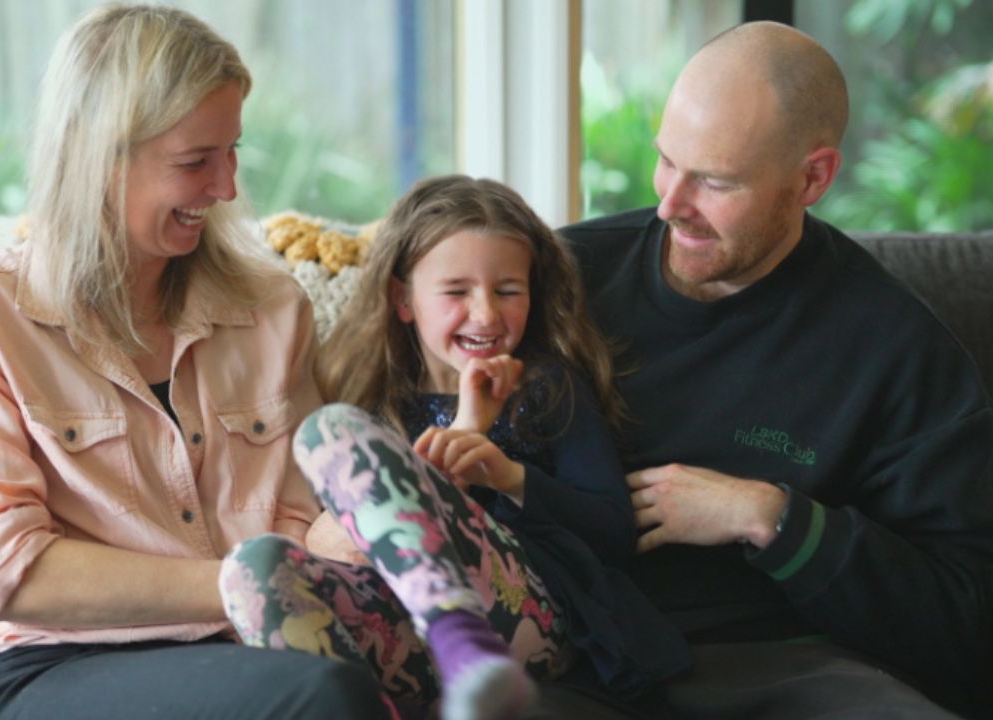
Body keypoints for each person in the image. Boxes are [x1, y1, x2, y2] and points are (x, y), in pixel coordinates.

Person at [0, 5, 390, 719]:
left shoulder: (273, 312)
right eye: (195, 161)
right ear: (98, 156)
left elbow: (299, 523)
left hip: (244, 654)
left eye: (232, 151)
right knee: (319, 697)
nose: (226, 188)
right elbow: (8, 571)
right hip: (47, 662)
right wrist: (244, 582)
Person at [561, 20, 993, 719]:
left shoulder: (898, 352)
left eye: (715, 181)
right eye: (666, 160)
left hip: (787, 666)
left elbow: (966, 619)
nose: (670, 205)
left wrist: (771, 517)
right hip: (573, 650)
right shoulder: (561, 278)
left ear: (813, 177)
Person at [219, 175, 689, 720]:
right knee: (252, 567)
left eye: (507, 290)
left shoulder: (544, 388)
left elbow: (614, 533)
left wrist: (510, 478)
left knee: (330, 430)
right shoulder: (375, 399)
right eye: (457, 291)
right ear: (403, 299)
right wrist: (457, 437)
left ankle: (465, 646)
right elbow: (343, 538)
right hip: (400, 625)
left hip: (531, 613)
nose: (486, 313)